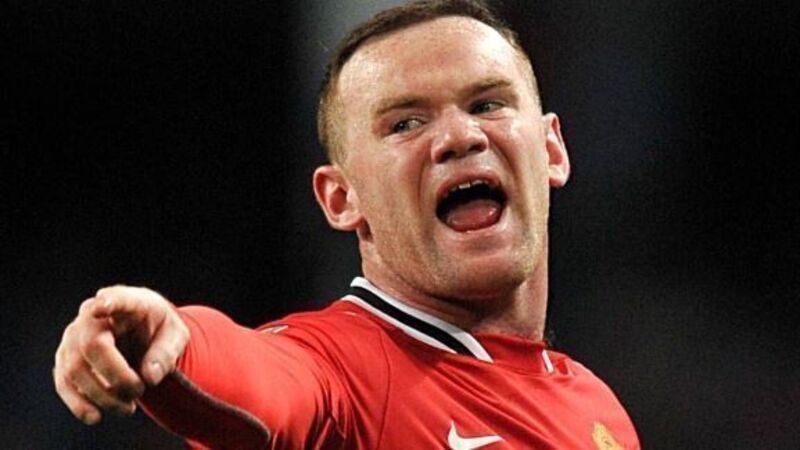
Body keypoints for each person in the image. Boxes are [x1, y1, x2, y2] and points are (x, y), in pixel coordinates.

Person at [53, 0, 640, 448]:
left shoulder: (599, 413)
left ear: (552, 149)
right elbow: (268, 379)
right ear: (340, 198)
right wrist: (174, 342)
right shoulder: (345, 374)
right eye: (406, 123)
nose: (460, 136)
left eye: (487, 104)